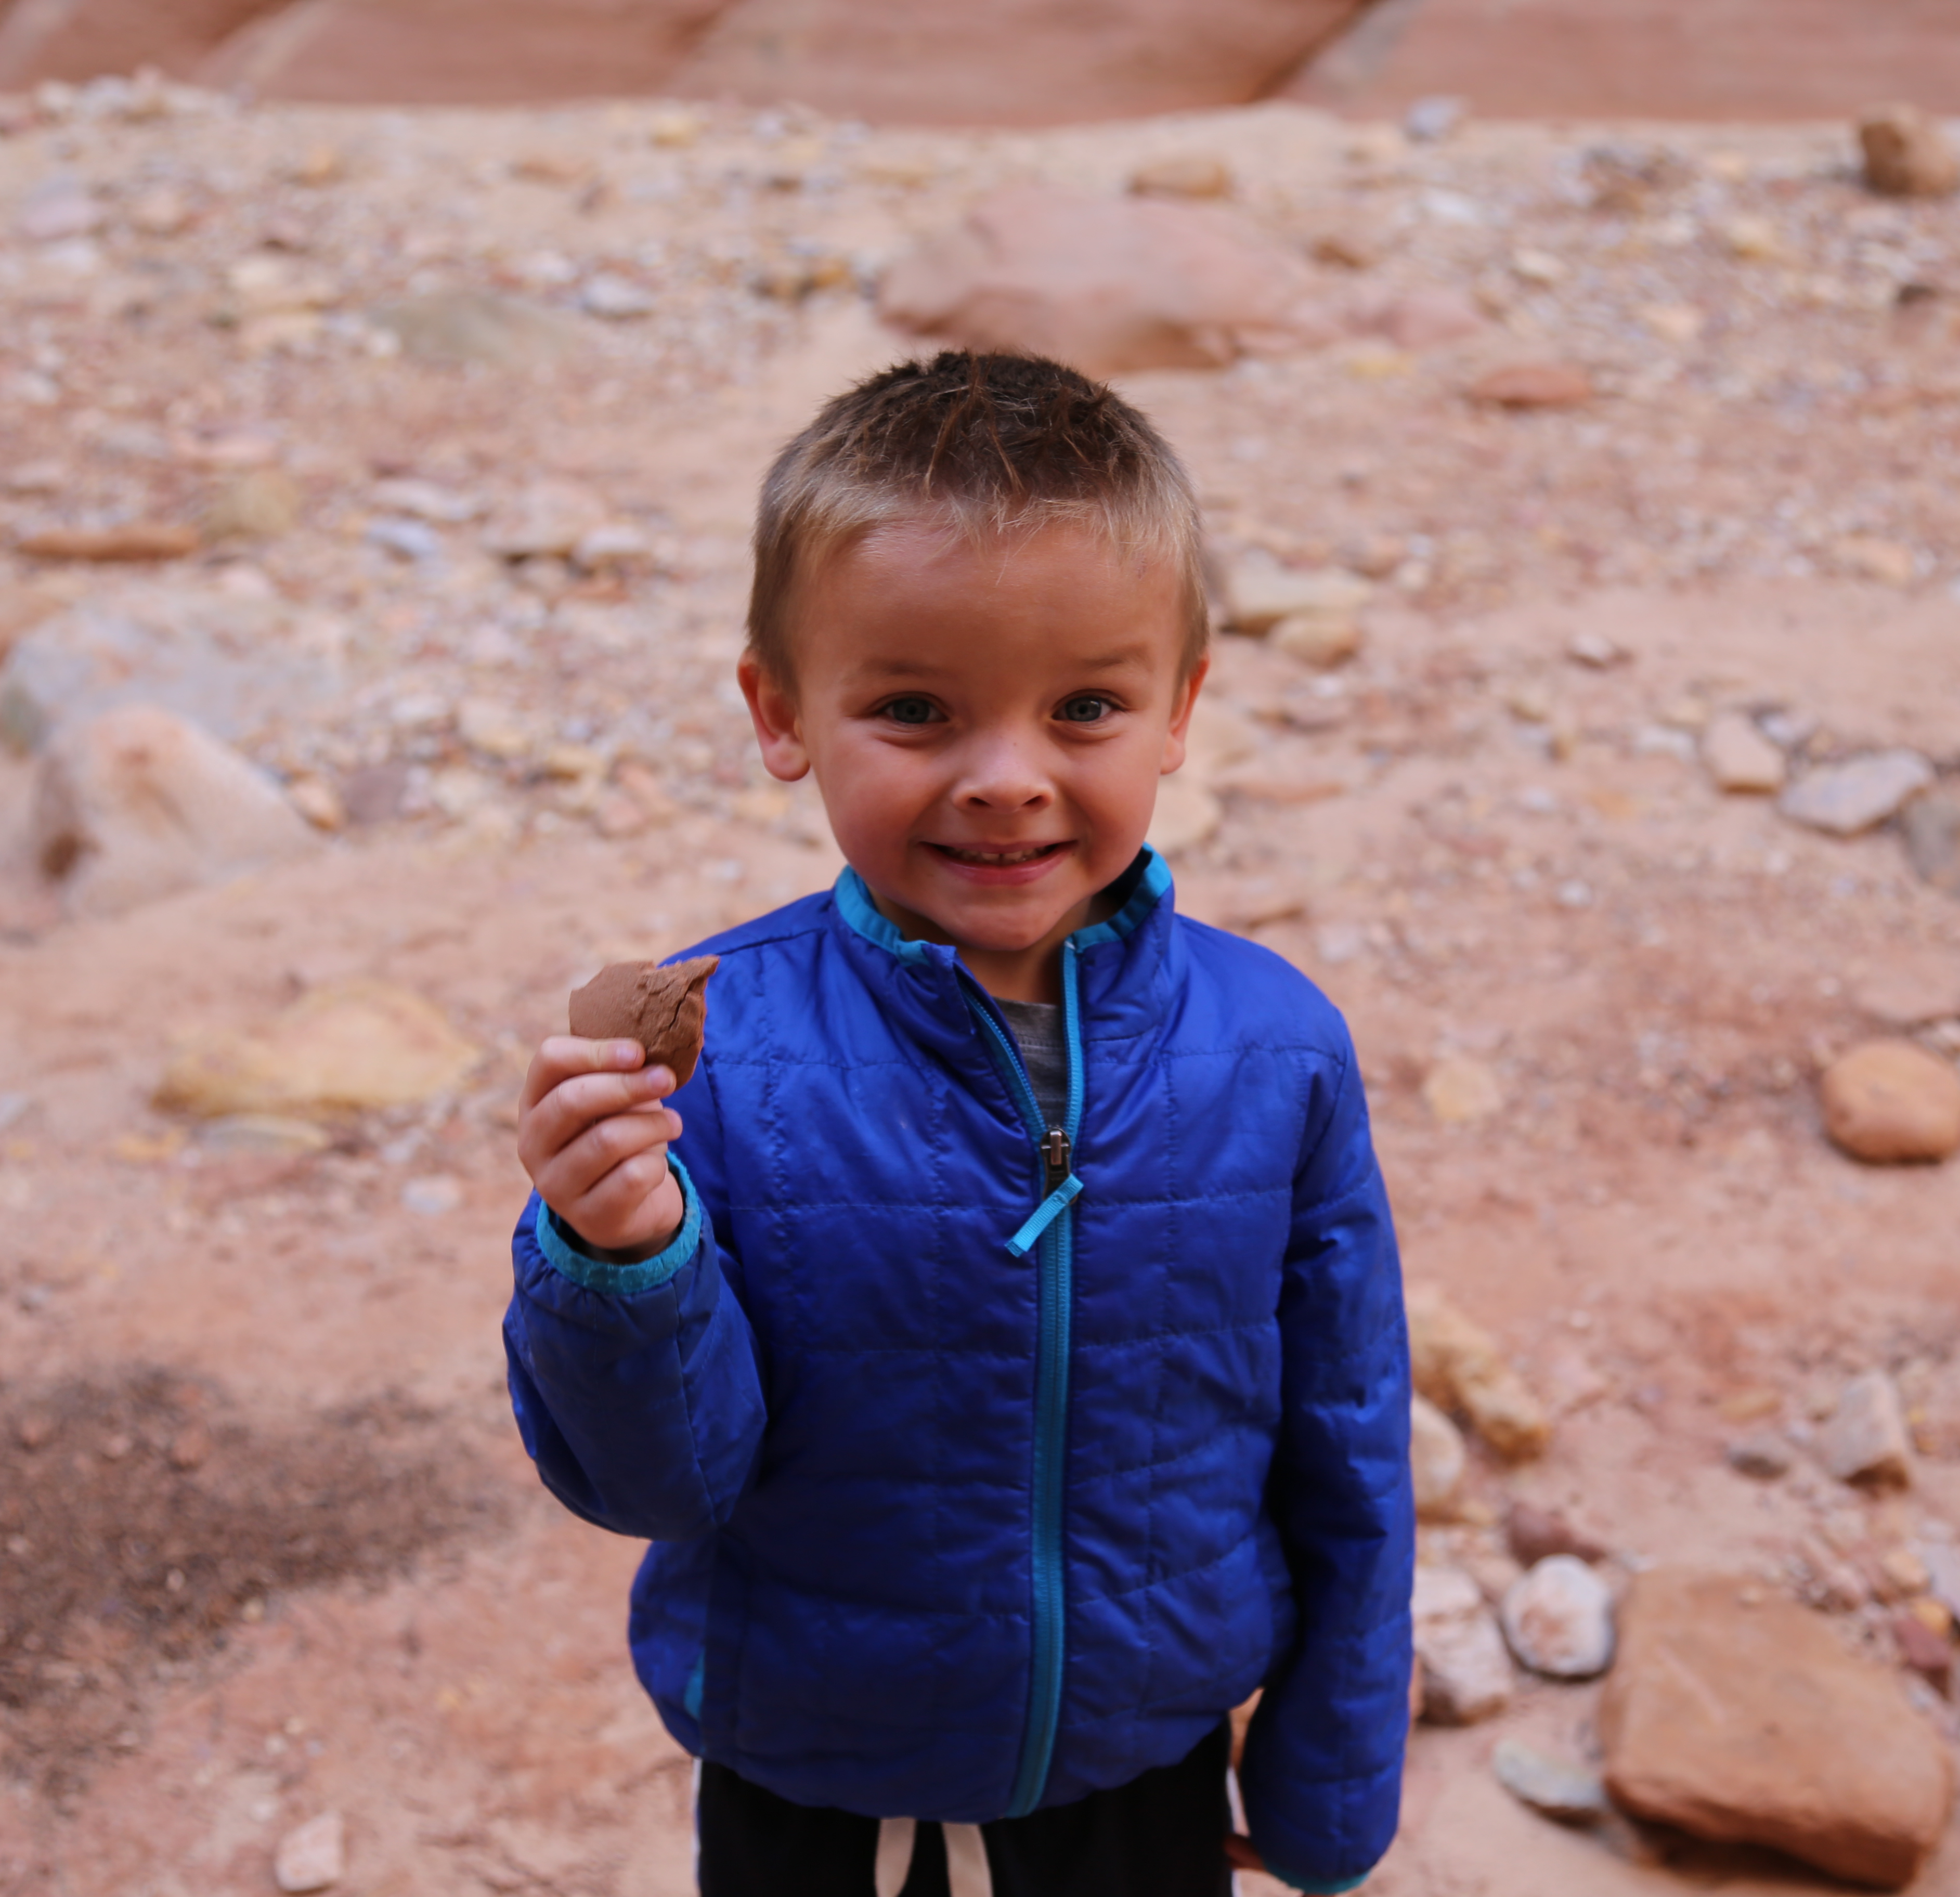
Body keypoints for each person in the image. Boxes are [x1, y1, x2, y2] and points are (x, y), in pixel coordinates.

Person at [507, 352, 1411, 1897]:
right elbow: (655, 1487)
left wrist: (1329, 1784)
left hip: (1142, 1765)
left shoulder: (1274, 1048)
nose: (1008, 781)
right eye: (918, 710)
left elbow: (1349, 1441)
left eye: (1086, 707)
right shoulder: (722, 1054)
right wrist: (620, 1255)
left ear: (1181, 707)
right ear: (782, 711)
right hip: (812, 1775)